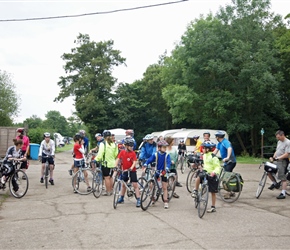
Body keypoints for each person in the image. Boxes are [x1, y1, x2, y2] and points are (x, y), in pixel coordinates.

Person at [191, 141, 221, 213]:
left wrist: (214, 172)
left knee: (213, 192)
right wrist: (199, 166)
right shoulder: (204, 155)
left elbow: (217, 167)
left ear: (207, 149)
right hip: (205, 172)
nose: (202, 149)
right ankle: (196, 190)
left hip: (212, 174)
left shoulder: (214, 157)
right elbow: (202, 162)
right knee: (199, 177)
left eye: (203, 148)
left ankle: (213, 207)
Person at [142, 140, 171, 209]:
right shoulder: (156, 154)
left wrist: (166, 169)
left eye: (165, 147)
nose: (165, 148)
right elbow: (150, 159)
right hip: (157, 171)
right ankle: (153, 197)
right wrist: (146, 163)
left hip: (163, 172)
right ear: (159, 148)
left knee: (164, 187)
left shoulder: (167, 155)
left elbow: (168, 163)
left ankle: (166, 201)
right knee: (152, 184)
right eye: (164, 147)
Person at [114, 137, 141, 207]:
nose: (132, 147)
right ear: (126, 146)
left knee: (135, 185)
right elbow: (118, 159)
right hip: (124, 170)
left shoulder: (133, 153)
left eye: (132, 146)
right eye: (130, 146)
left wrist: (131, 168)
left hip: (132, 171)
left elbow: (134, 162)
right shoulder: (122, 152)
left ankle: (138, 199)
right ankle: (121, 198)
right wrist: (115, 166)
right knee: (124, 185)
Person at [268, 130, 290, 199]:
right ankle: (275, 183)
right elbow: (277, 151)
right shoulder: (279, 142)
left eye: (278, 137)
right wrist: (273, 157)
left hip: (283, 161)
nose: (278, 138)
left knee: (282, 177)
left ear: (282, 135)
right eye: (277, 137)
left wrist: (278, 158)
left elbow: (287, 154)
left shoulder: (288, 142)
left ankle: (283, 193)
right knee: (268, 170)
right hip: (277, 160)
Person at [95, 130, 118, 196]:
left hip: (105, 163)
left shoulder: (103, 144)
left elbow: (100, 153)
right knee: (111, 177)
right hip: (113, 163)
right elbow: (116, 154)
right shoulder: (114, 144)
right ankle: (111, 190)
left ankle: (108, 191)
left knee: (106, 178)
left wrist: (96, 159)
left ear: (103, 136)